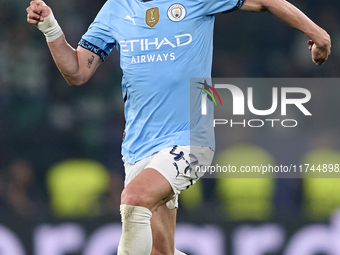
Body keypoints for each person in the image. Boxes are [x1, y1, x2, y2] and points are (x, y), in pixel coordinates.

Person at [26, 0, 330, 254]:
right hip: (137, 148)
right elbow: (78, 72)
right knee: (161, 252)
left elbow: (265, 1)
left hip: (190, 140)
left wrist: (317, 34)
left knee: (133, 199)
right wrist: (50, 26)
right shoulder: (115, 9)